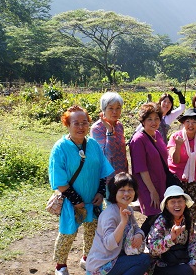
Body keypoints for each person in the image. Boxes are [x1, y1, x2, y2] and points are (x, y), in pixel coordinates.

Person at [49, 105, 114, 275]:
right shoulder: (60, 148)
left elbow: (102, 171)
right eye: (75, 123)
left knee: (93, 231)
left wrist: (100, 192)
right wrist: (76, 200)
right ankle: (60, 265)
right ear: (67, 124)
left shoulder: (93, 144)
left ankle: (88, 257)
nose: (80, 127)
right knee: (67, 233)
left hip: (93, 200)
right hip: (71, 202)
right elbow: (59, 180)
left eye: (84, 122)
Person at [85, 172, 150, 275]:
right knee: (144, 260)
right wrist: (123, 223)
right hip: (102, 265)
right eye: (122, 190)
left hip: (116, 258)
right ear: (114, 192)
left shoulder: (127, 208)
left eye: (130, 190)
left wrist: (139, 235)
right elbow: (109, 244)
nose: (126, 194)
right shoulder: (110, 214)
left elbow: (136, 228)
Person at [129, 102, 168, 235]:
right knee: (154, 215)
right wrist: (152, 191)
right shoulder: (138, 140)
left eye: (156, 118)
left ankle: (153, 242)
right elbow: (141, 169)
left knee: (161, 214)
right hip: (148, 185)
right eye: (149, 119)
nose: (154, 122)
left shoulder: (157, 135)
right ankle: (138, 238)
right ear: (143, 121)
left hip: (161, 182)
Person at [168, 108, 196, 222]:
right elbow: (175, 160)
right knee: (175, 210)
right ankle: (173, 236)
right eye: (188, 121)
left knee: (190, 210)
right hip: (175, 179)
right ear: (183, 123)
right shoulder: (176, 137)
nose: (190, 125)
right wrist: (178, 146)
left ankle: (189, 236)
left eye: (194, 122)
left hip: (192, 181)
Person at [147, 185, 196, 275]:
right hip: (162, 263)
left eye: (180, 201)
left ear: (185, 203)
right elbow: (152, 250)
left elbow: (192, 242)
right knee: (186, 271)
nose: (177, 205)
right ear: (166, 206)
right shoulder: (161, 221)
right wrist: (170, 239)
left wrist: (193, 263)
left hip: (180, 256)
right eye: (172, 202)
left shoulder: (187, 219)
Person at [91, 92, 128, 182]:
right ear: (104, 109)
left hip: (121, 176)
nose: (115, 112)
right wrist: (110, 132)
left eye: (118, 108)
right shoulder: (97, 129)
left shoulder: (119, 126)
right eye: (111, 108)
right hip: (107, 179)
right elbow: (108, 155)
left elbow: (123, 153)